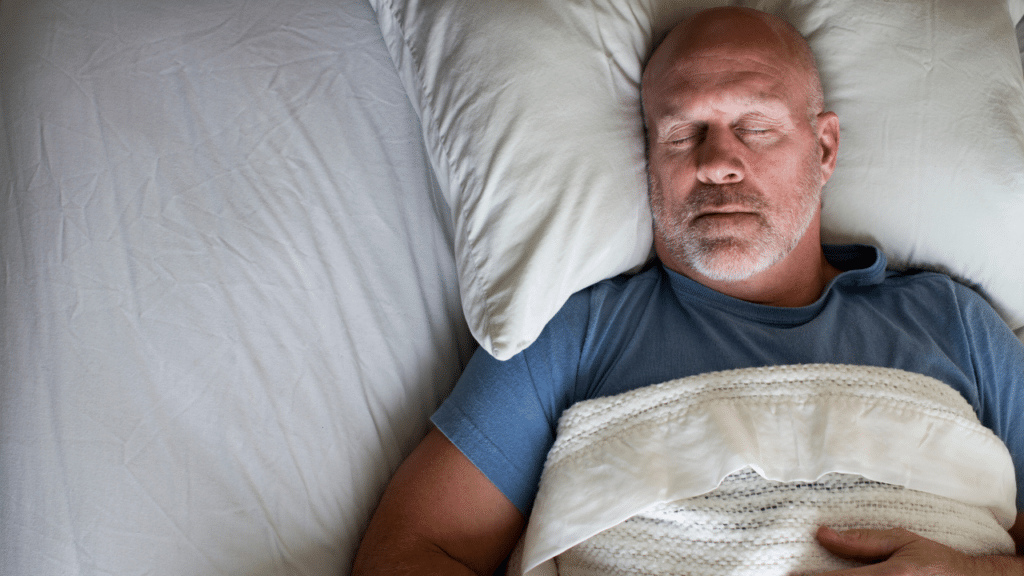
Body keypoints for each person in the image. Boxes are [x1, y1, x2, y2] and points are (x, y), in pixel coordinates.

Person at [353, 7, 1024, 575]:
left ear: (824, 149)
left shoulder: (955, 323)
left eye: (755, 127)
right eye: (683, 134)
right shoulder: (575, 335)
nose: (716, 162)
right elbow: (411, 549)